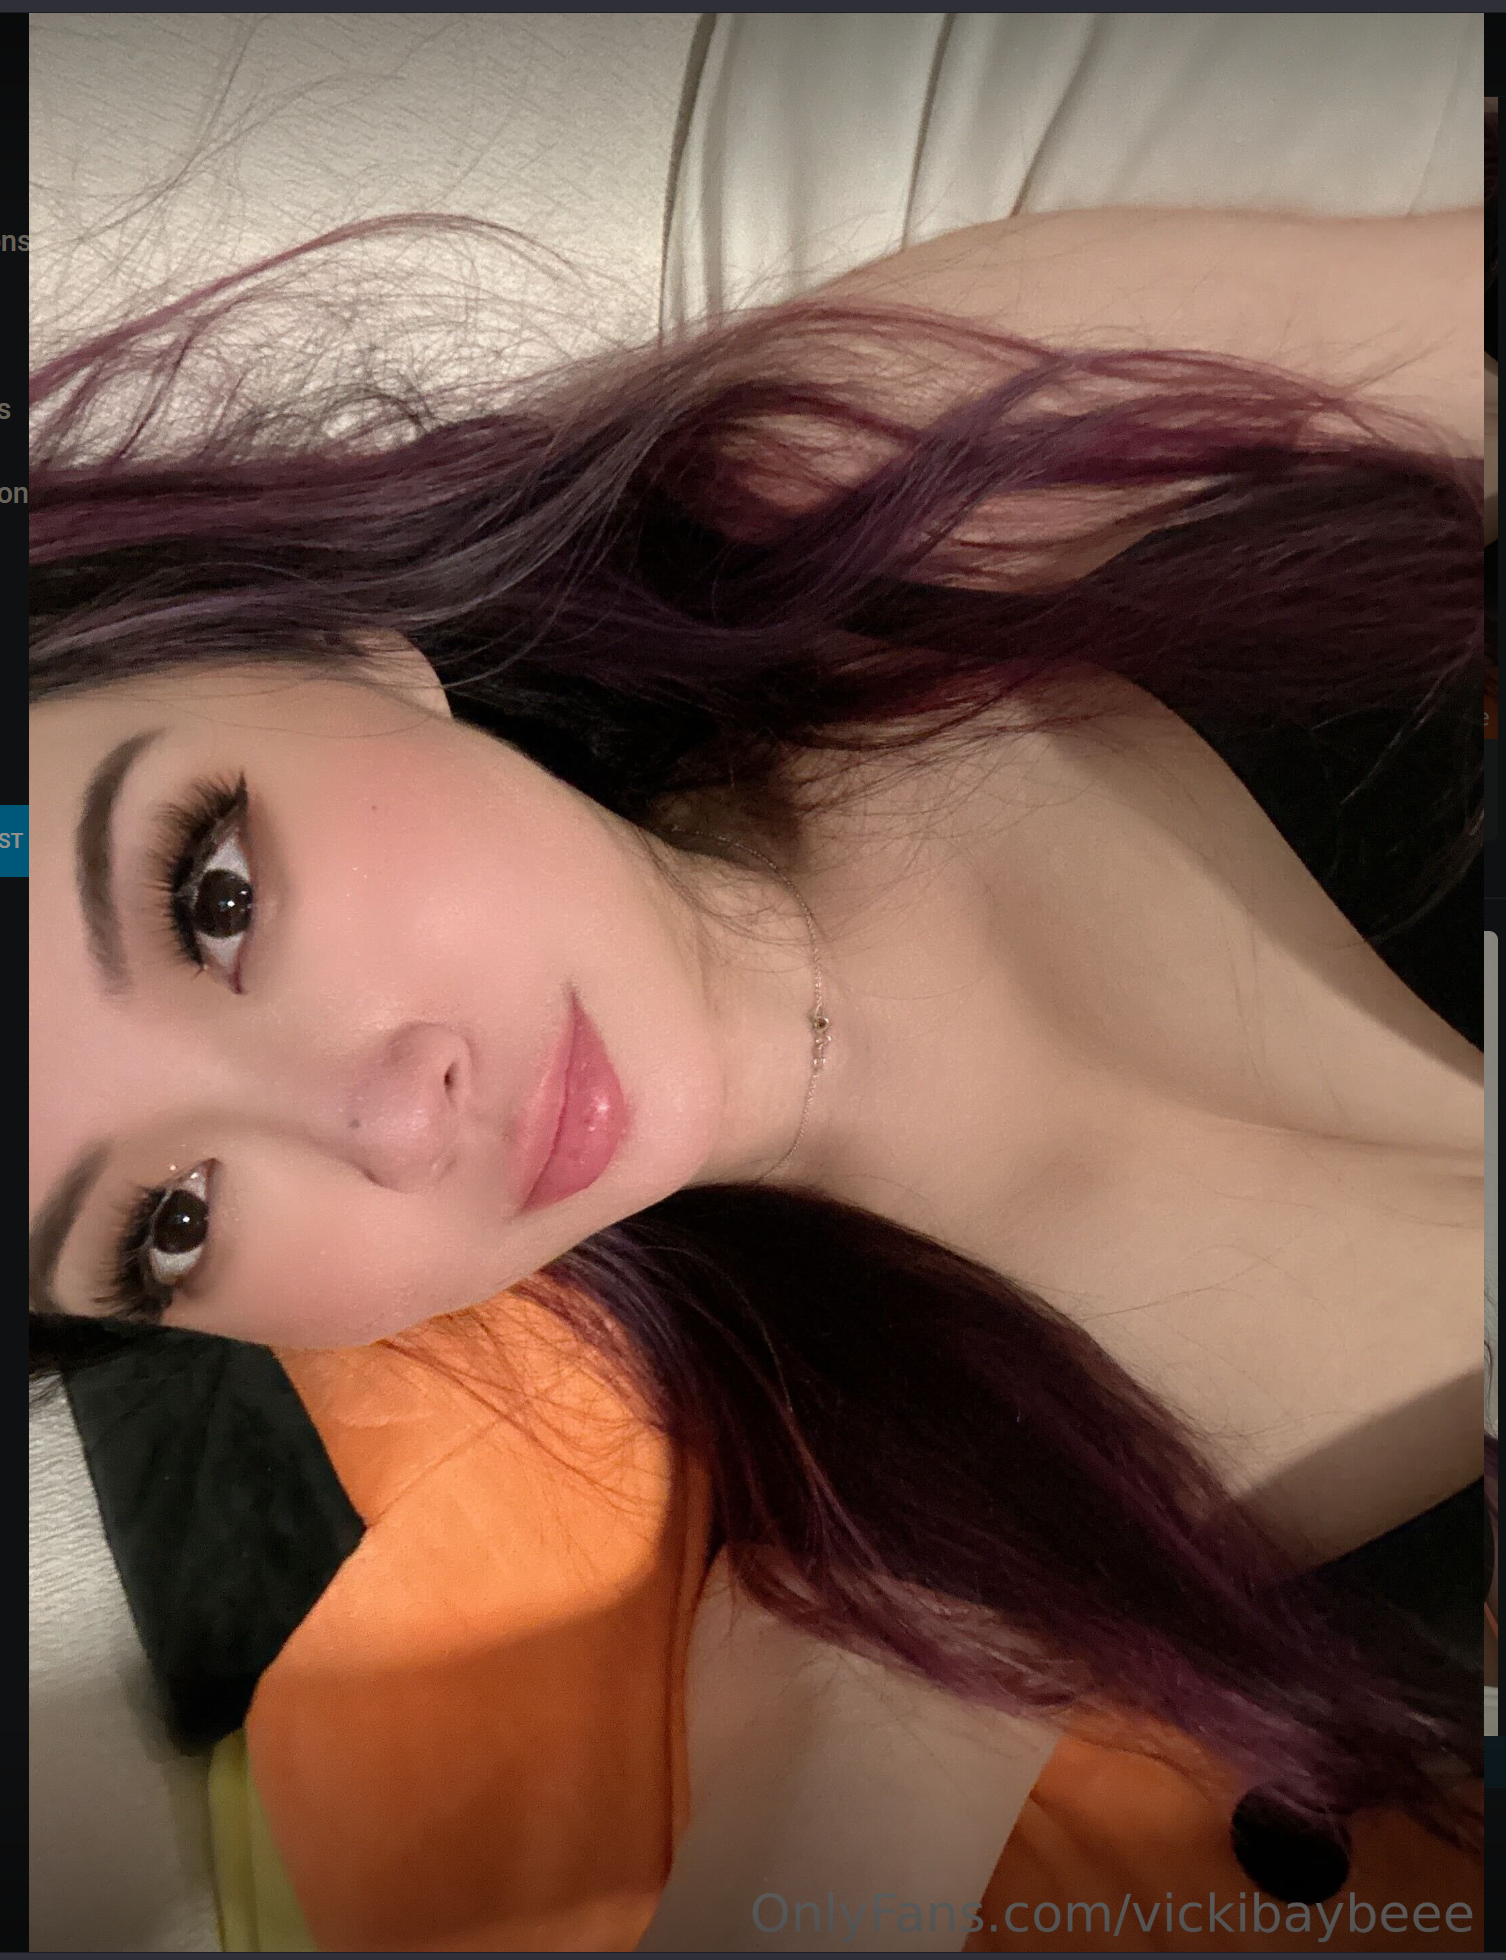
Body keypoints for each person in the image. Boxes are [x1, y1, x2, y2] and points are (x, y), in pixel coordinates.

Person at [29, 182, 1488, 1899]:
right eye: (170, 1223)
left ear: (323, 645)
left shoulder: (874, 465)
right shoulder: (908, 1592)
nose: (395, 1124)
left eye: (213, 898)